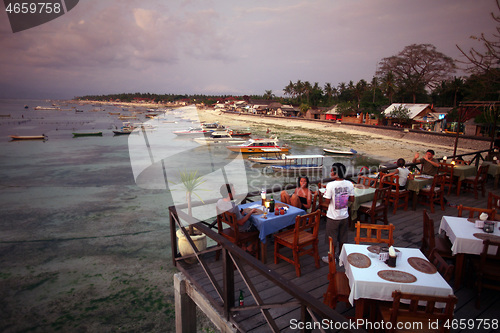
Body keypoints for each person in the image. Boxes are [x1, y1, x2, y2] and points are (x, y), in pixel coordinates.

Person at [321, 163, 354, 264]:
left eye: (331, 171)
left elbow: (327, 201)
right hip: (344, 216)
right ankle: (341, 257)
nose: (330, 173)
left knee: (332, 238)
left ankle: (331, 258)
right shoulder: (349, 184)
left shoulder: (331, 185)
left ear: (335, 173)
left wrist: (324, 194)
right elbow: (352, 199)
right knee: (342, 238)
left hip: (333, 217)